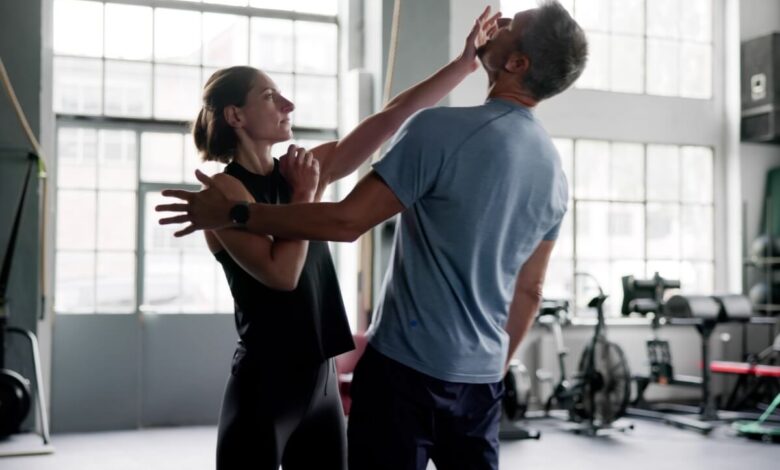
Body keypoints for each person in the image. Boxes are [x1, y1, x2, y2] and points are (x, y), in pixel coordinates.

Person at [158, 2, 587, 469]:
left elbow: (391, 117)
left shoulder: (300, 171)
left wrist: (462, 65)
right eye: (269, 96)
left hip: (322, 376)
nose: (288, 104)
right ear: (236, 116)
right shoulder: (226, 190)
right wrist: (302, 196)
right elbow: (283, 275)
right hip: (267, 380)